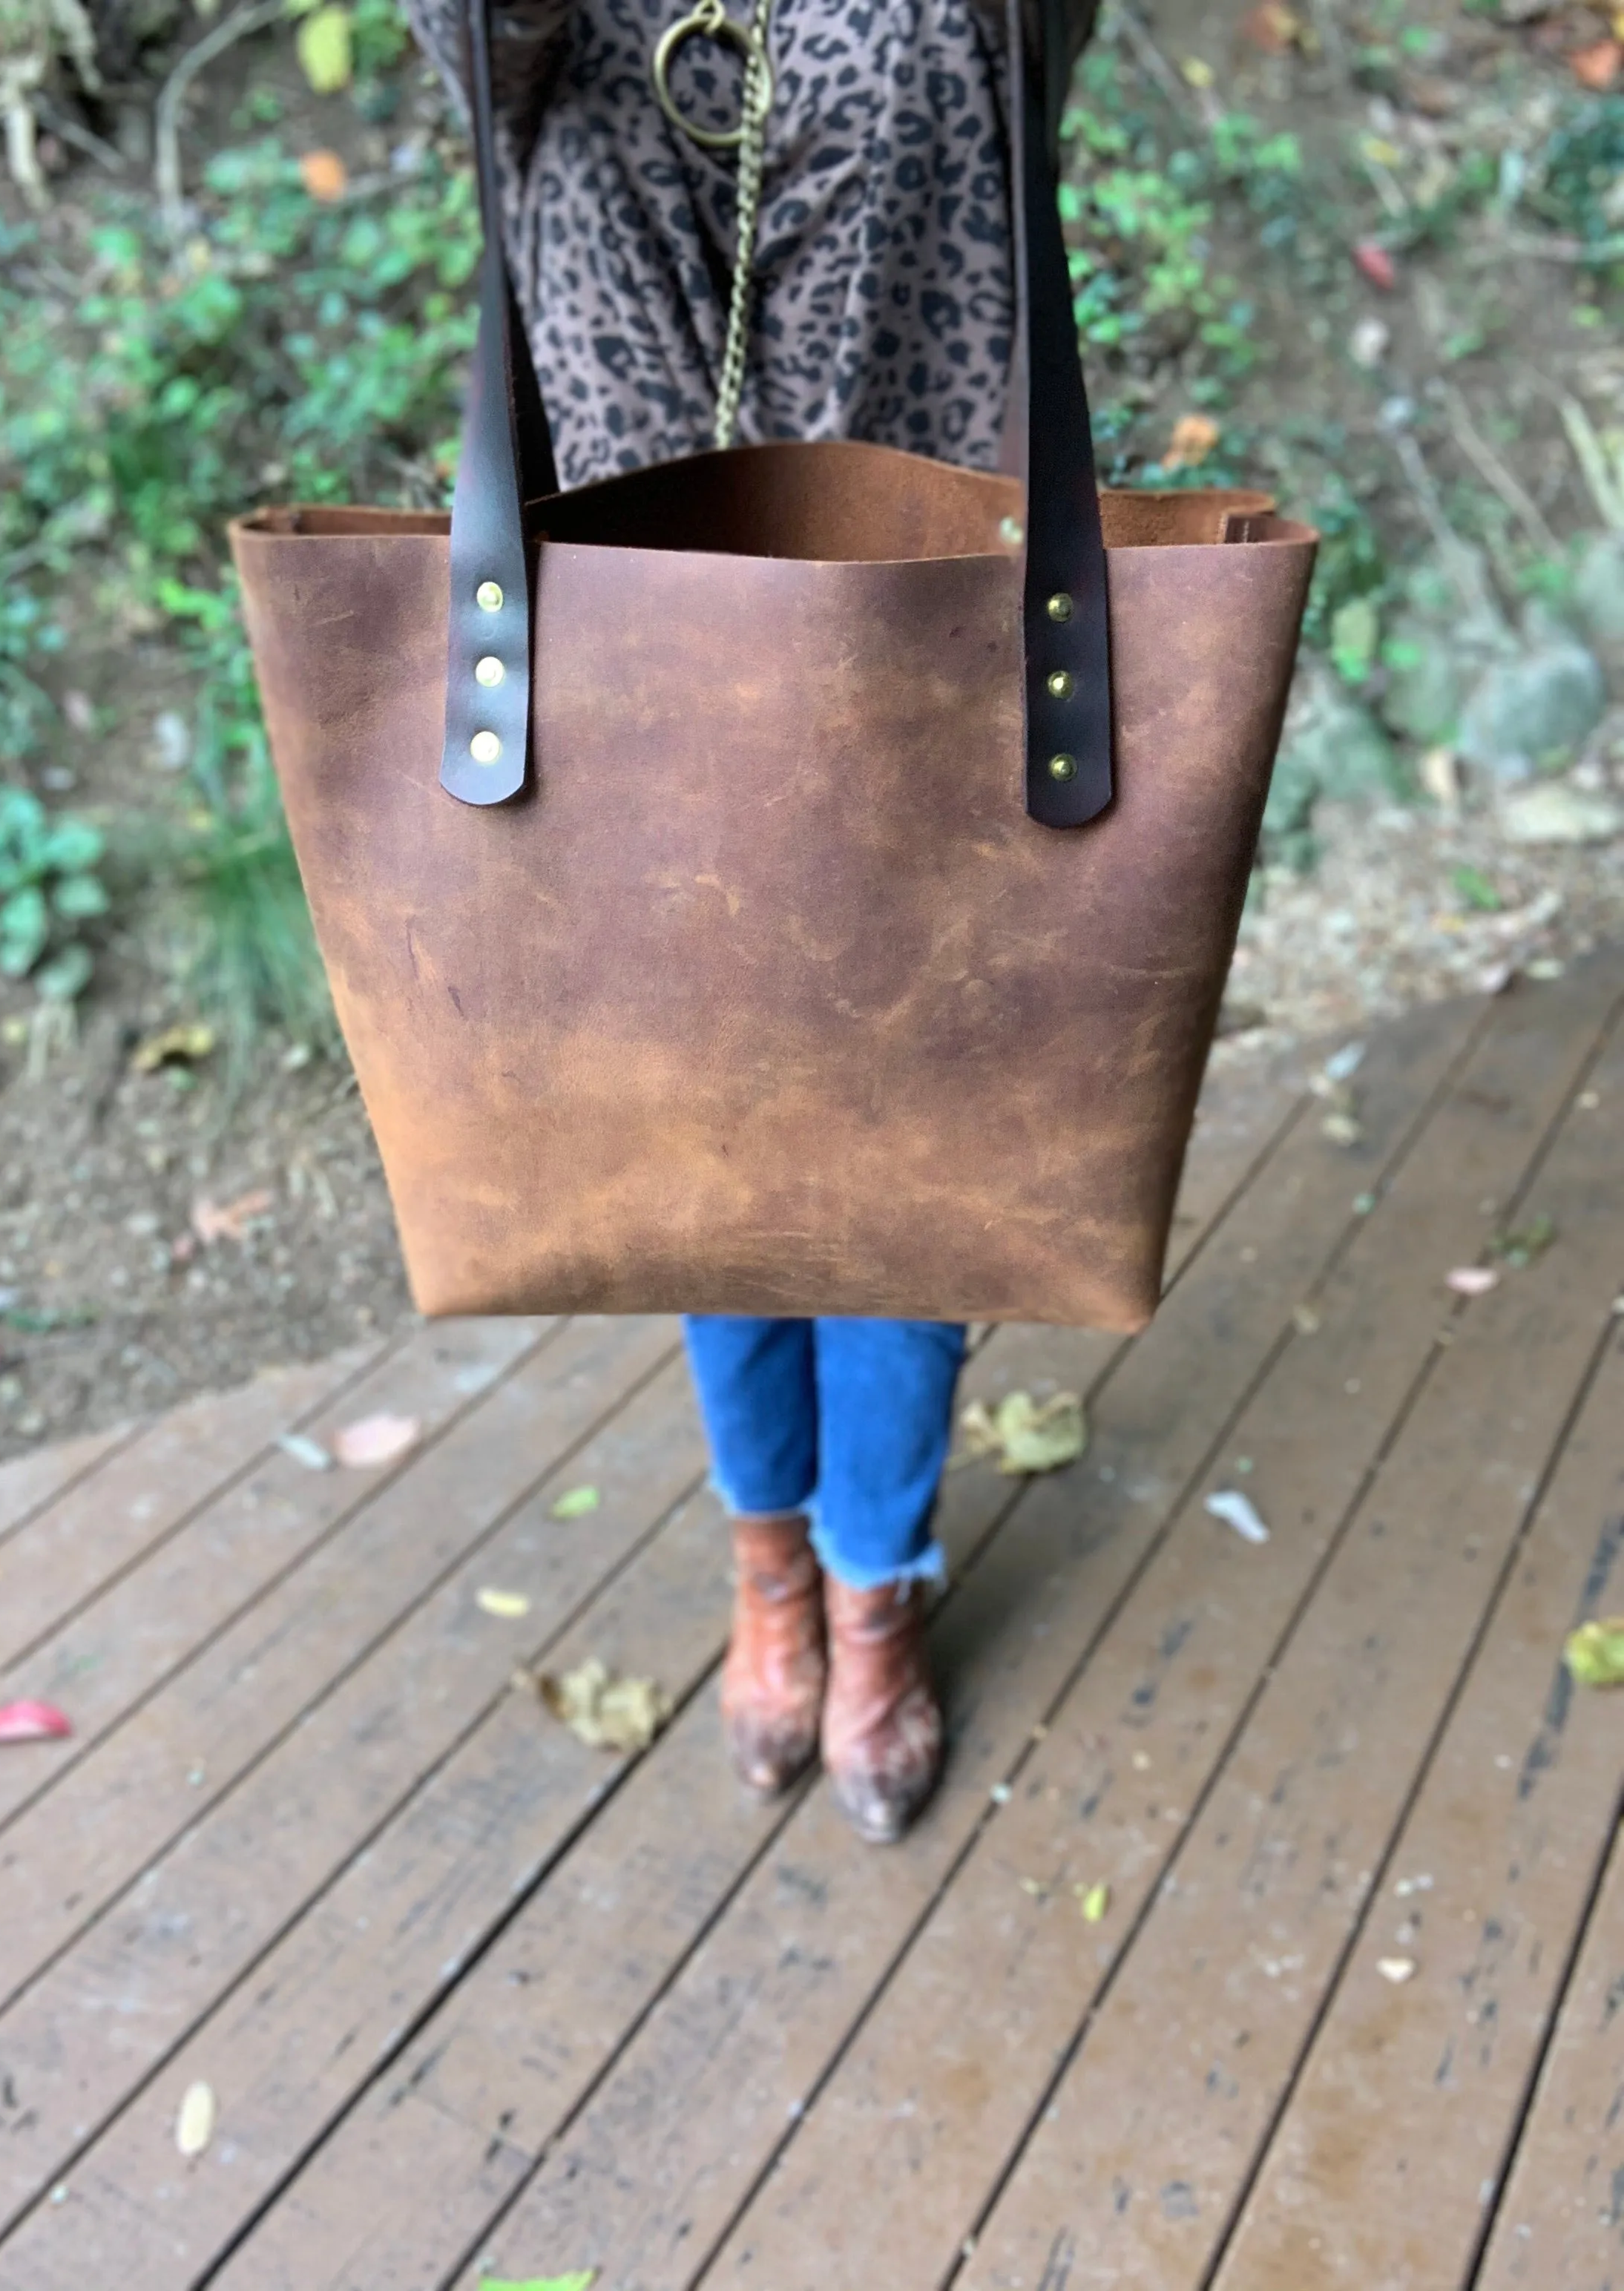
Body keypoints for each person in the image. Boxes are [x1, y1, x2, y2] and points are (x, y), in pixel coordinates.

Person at [403, 0, 1096, 1842]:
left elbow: (1039, 70)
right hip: (644, 640)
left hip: (936, 607)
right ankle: (769, 1567)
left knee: (915, 1139)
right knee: (722, 1136)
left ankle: (877, 1587)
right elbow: (475, 63)